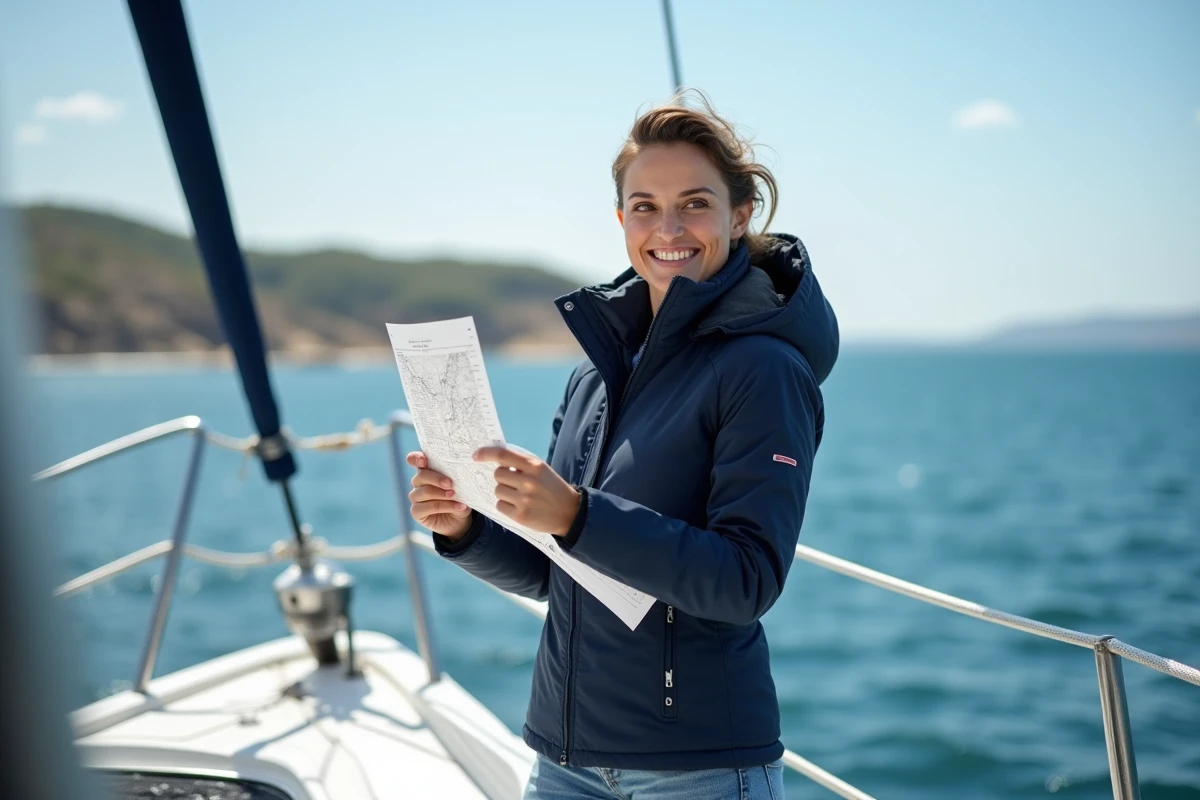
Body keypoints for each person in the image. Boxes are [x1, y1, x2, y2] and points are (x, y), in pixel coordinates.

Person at [406, 91, 838, 800]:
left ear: (739, 216)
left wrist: (576, 515)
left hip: (697, 769)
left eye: (694, 203)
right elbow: (558, 574)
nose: (668, 227)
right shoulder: (597, 371)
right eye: (644, 206)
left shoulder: (763, 370)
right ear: (621, 220)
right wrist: (467, 529)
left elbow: (746, 579)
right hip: (564, 757)